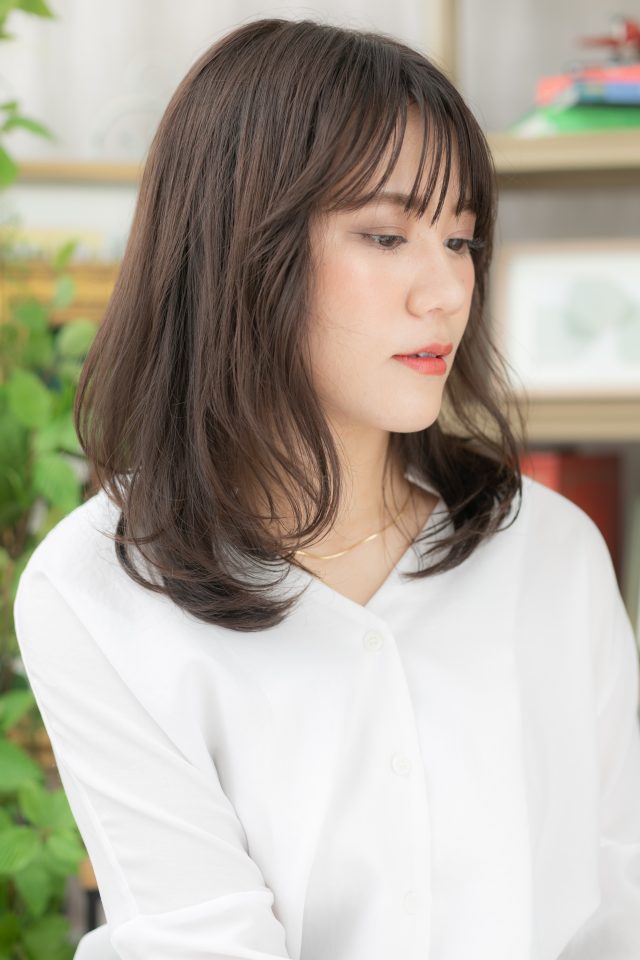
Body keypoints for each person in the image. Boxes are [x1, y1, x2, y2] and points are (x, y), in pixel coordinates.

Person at [13, 17, 640, 960]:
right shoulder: (99, 589)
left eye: (462, 240)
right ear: (239, 248)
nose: (446, 290)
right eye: (386, 236)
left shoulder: (551, 551)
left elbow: (617, 905)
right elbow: (201, 942)